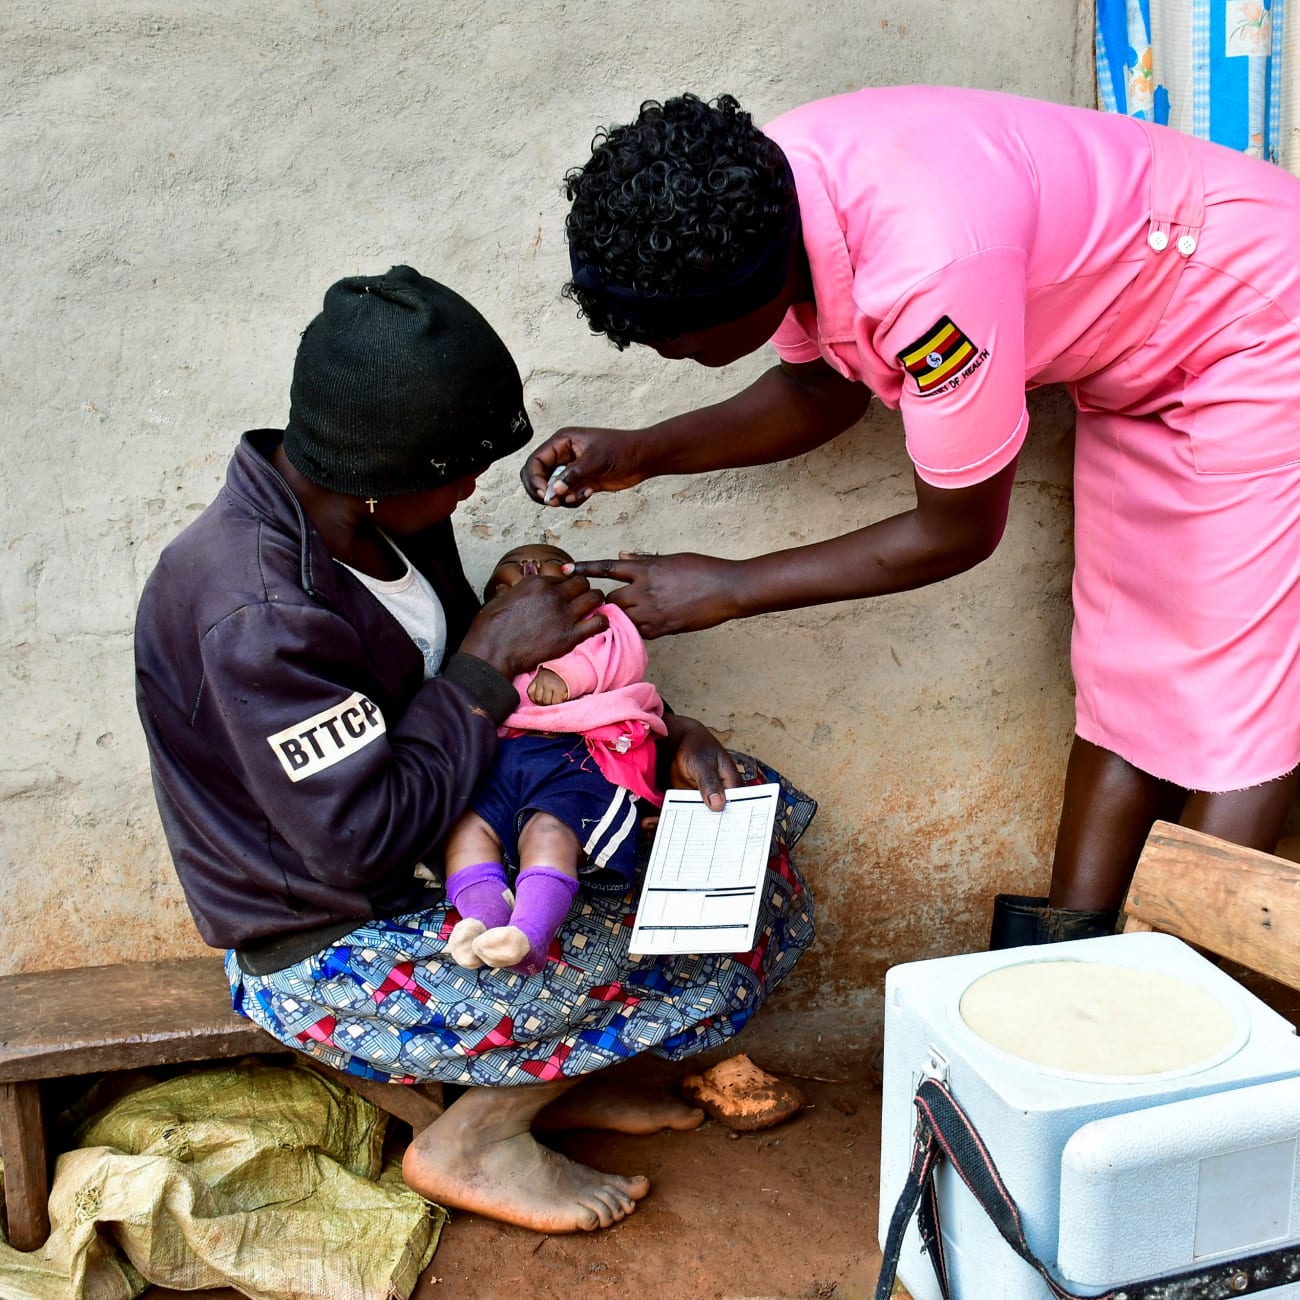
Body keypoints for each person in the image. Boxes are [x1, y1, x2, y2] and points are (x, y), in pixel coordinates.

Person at [523, 88, 1300, 946]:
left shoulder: (930, 282)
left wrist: (730, 586)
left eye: (682, 341)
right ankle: (1056, 964)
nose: (673, 356)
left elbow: (957, 530)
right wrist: (645, 450)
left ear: (752, 293)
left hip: (1256, 317)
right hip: (1138, 353)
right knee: (1121, 662)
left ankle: (1182, 1007)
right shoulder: (758, 193)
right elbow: (821, 388)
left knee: (1238, 693)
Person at [134, 265, 816, 1233]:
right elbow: (358, 841)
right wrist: (488, 658)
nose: (470, 491)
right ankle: (475, 1138)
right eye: (455, 472)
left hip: (455, 846)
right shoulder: (255, 611)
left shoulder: (381, 526)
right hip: (333, 946)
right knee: (718, 928)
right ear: (378, 475)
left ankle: (559, 1079)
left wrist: (664, 735)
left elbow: (516, 722)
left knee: (746, 823)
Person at [442, 541, 666, 974]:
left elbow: (621, 654)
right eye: (506, 575)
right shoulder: (484, 636)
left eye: (545, 566)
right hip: (500, 759)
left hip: (573, 758)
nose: (526, 571)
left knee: (550, 828)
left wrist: (568, 674)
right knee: (465, 829)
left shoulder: (600, 622)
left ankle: (529, 933)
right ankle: (480, 917)